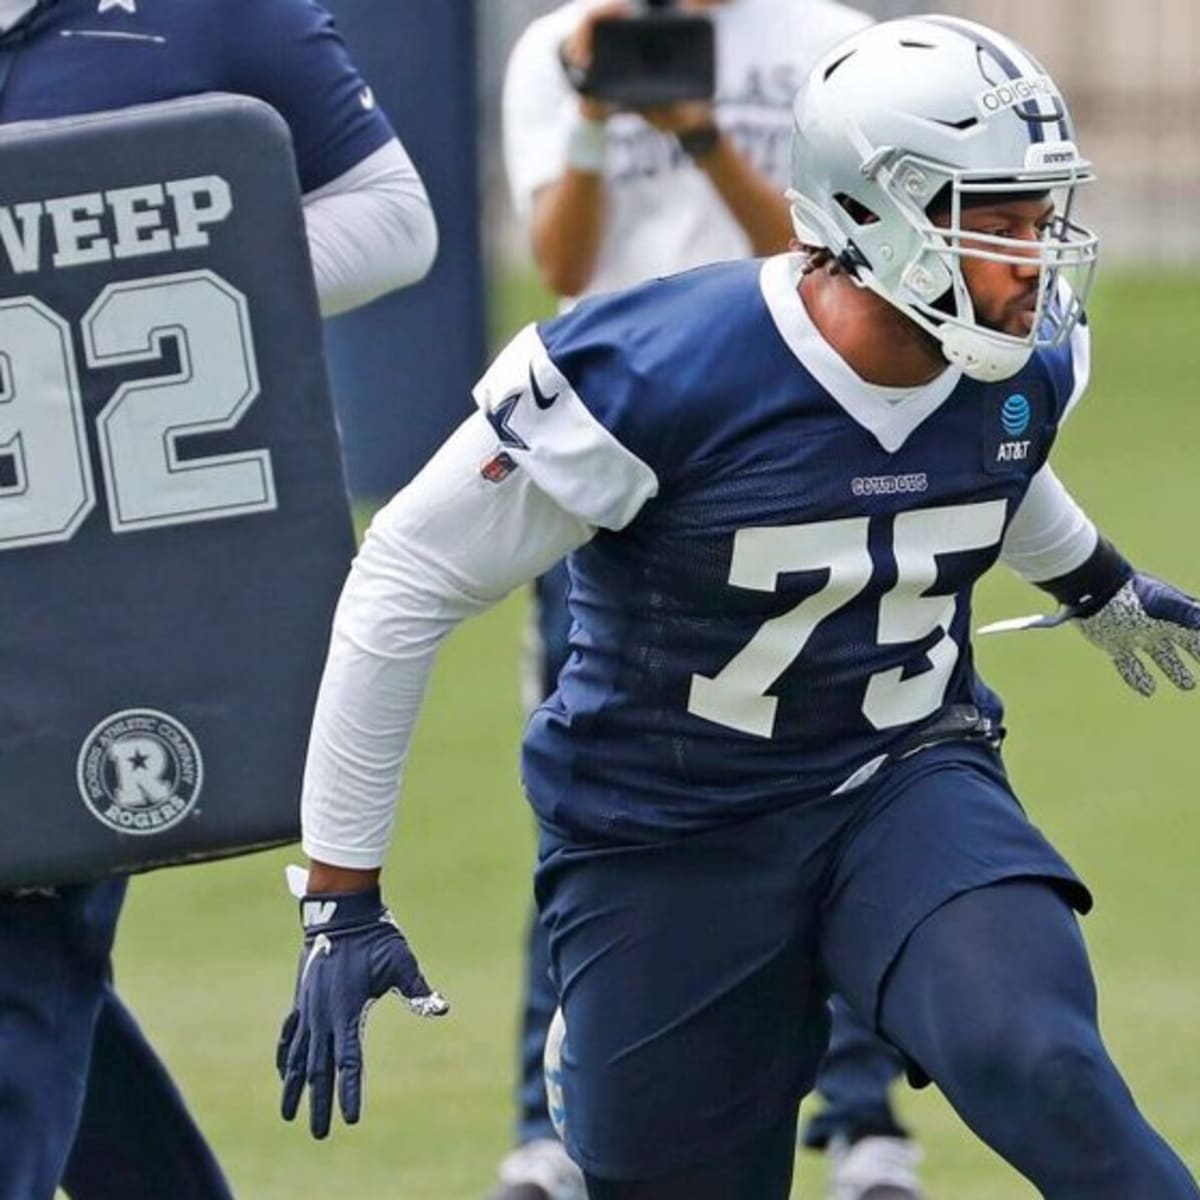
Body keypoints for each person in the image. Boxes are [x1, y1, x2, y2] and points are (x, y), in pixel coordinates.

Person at [279, 15, 1200, 1200]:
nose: (1037, 260)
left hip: (903, 779)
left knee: (1041, 1060)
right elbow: (402, 578)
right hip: (669, 834)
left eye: (1042, 218)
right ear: (877, 217)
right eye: (1000, 224)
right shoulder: (652, 372)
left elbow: (989, 471)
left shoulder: (1024, 367)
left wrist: (1096, 580)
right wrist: (339, 893)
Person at [0, 1, 437, 1197]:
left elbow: (395, 220)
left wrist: (170, 261)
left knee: (22, 941)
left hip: (84, 586)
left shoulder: (209, 10)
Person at [500, 3, 921, 1197]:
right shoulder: (557, 48)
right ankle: (552, 1125)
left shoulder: (827, 41)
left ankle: (861, 1118)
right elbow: (563, 266)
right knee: (591, 779)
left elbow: (821, 262)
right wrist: (597, 114)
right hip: (614, 460)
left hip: (796, 443)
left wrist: (696, 132)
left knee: (851, 775)